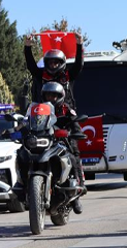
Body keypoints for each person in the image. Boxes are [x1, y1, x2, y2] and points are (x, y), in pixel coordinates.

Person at [41, 82, 87, 214]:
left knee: (73, 157)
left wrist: (75, 132)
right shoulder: (40, 108)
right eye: (48, 95)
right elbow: (30, 120)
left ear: (60, 96)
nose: (51, 98)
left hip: (64, 141)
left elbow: (75, 125)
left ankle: (77, 193)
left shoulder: (66, 109)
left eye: (53, 96)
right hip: (45, 141)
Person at [24, 33, 84, 109]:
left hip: (66, 115)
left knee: (75, 120)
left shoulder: (67, 75)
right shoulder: (42, 75)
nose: (53, 65)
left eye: (55, 63)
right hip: (44, 114)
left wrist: (79, 44)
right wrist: (27, 47)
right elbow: (31, 66)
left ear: (61, 63)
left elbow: (78, 65)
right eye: (50, 63)